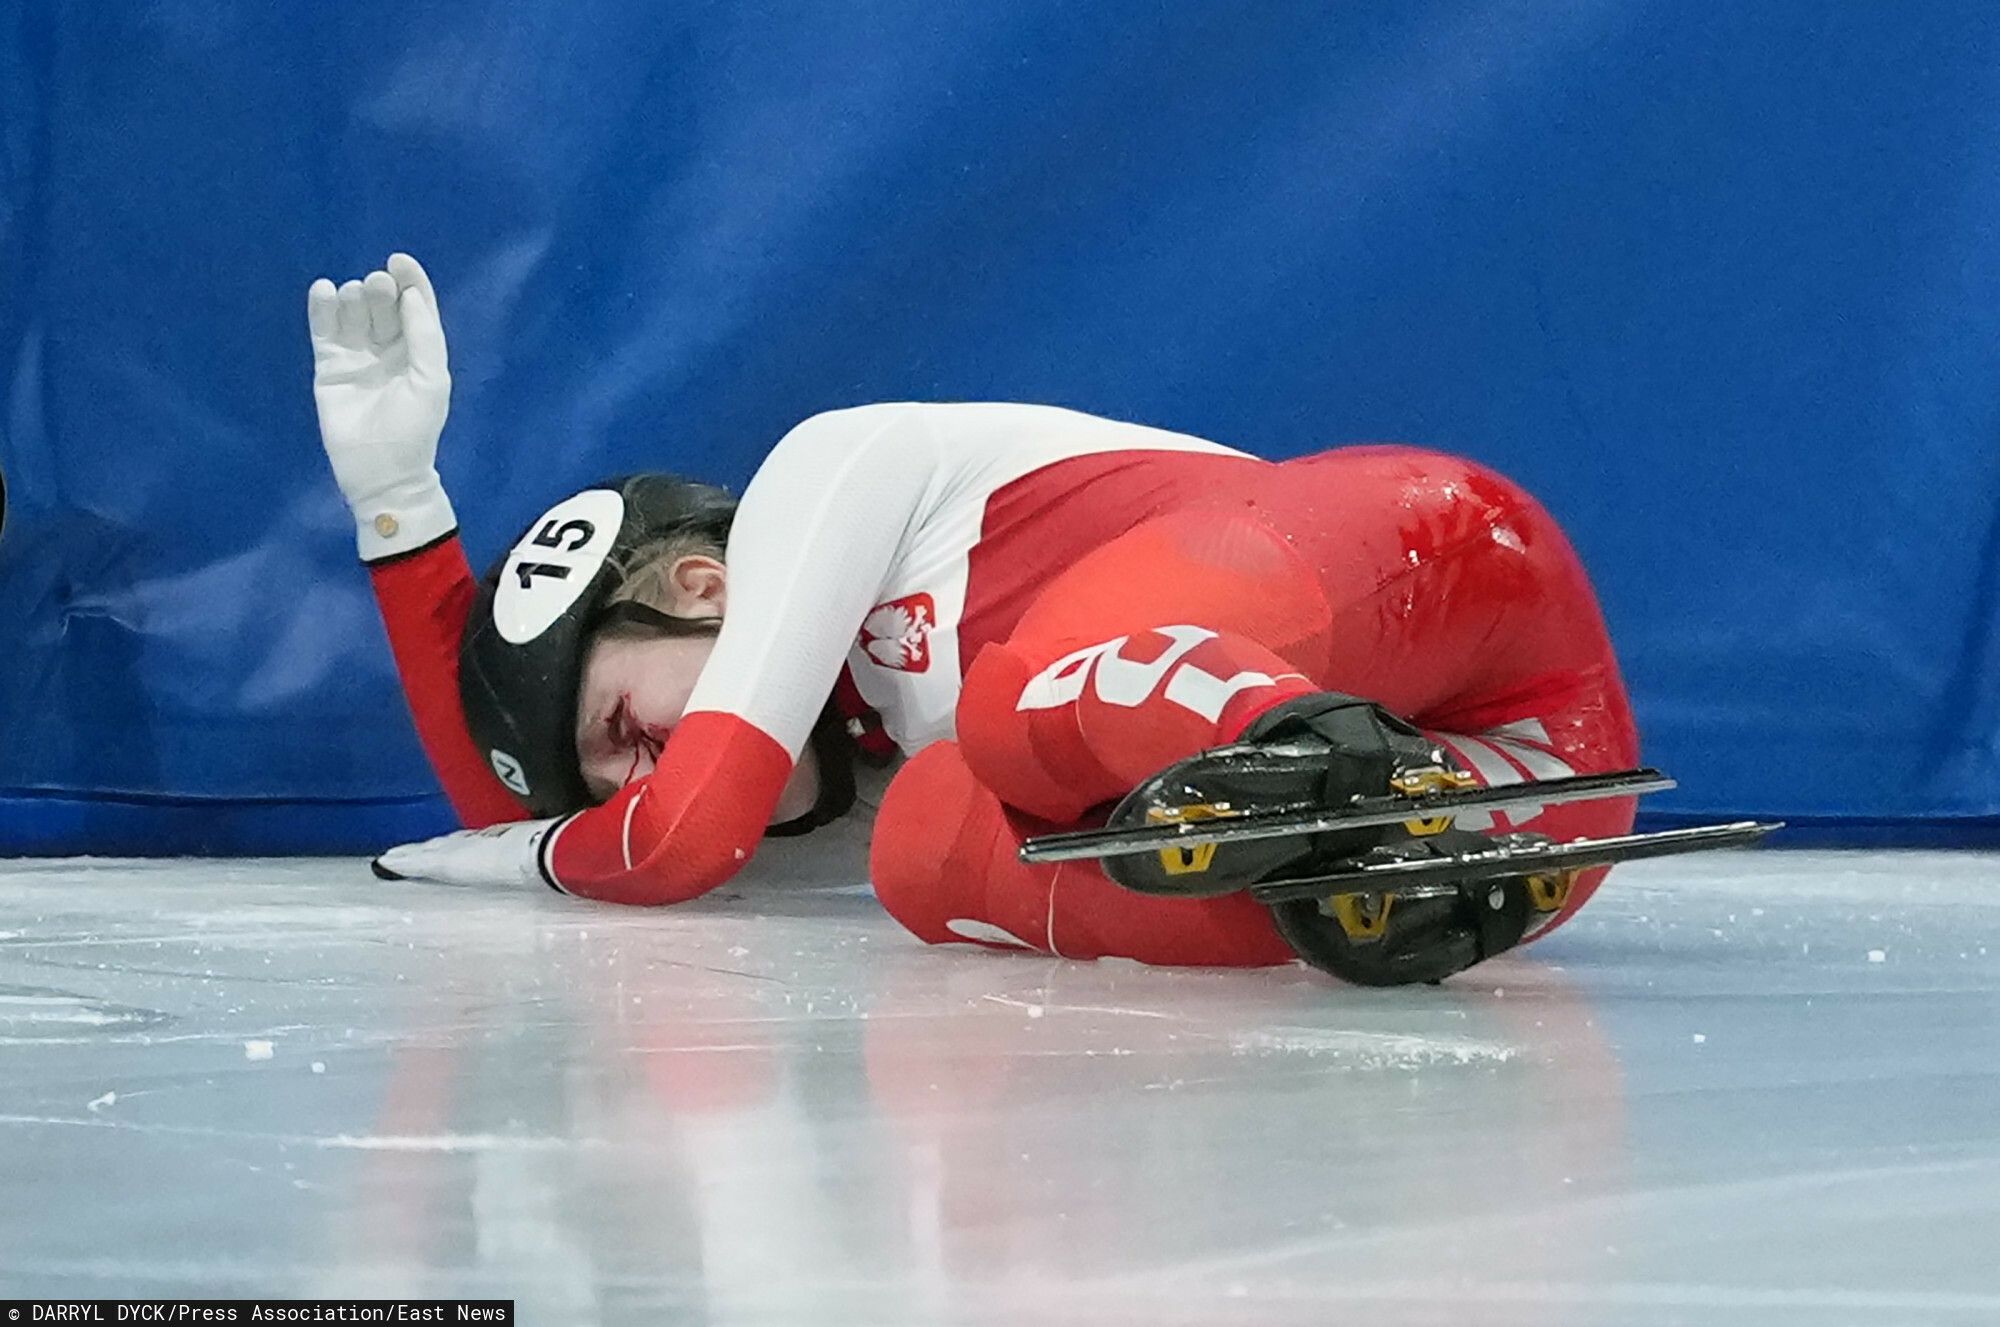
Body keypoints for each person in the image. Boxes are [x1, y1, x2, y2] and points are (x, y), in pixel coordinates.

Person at [307, 254, 1640, 985]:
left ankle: (1310, 753)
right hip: (1547, 787)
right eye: (611, 778)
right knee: (931, 852)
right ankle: (1385, 888)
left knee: (1004, 718)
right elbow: (538, 813)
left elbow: (673, 837)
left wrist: (524, 860)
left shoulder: (822, 477)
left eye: (621, 727)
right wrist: (396, 507)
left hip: (1446, 555)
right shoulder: (874, 762)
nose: (633, 782)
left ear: (701, 589)